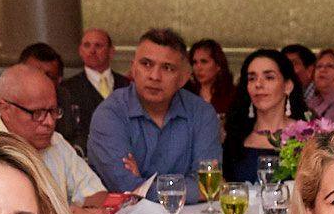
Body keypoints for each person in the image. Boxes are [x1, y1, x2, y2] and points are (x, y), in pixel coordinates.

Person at [85, 27, 223, 198]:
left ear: (184, 77)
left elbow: (208, 185)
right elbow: (126, 187)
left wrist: (143, 185)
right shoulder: (110, 114)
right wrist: (186, 188)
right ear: (133, 69)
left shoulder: (202, 113)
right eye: (146, 64)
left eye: (167, 68)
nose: (155, 76)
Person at [0, 61, 112, 214]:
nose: (49, 122)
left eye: (53, 111)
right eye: (38, 113)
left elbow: (96, 193)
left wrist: (87, 213)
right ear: (6, 110)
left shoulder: (56, 141)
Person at [222, 47, 311, 185]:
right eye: (252, 78)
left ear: (287, 86)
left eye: (269, 77)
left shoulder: (307, 135)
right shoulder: (235, 136)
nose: (258, 84)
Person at [58, 27, 125, 154]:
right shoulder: (66, 88)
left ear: (111, 51)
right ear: (80, 51)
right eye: (87, 45)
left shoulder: (128, 85)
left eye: (98, 46)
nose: (92, 51)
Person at [0, 42, 63, 130]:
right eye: (32, 73)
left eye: (48, 76)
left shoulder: (63, 95)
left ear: (59, 80)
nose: (40, 81)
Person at [187, 37, 233, 118]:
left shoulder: (232, 96)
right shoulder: (187, 95)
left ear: (218, 65)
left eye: (204, 61)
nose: (198, 68)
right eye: (195, 62)